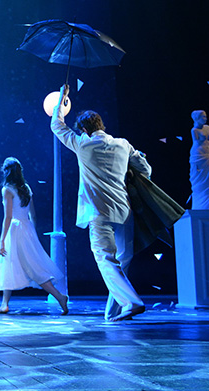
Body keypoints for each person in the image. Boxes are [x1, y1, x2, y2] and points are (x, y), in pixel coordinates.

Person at [50, 85, 150, 322]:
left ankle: (132, 303)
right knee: (120, 262)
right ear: (102, 126)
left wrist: (62, 101)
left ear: (84, 129)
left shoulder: (83, 145)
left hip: (99, 213)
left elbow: (57, 125)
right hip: (124, 212)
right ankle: (113, 311)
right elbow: (145, 169)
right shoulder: (123, 145)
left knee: (106, 259)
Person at [0, 157, 69, 315]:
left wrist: (2, 239)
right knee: (11, 263)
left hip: (15, 229)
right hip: (26, 228)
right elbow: (33, 215)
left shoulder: (7, 189)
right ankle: (4, 303)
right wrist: (32, 234)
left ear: (6, 172)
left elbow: (7, 217)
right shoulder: (26, 188)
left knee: (32, 268)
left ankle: (59, 296)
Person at [189, 110, 209, 209]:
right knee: (201, 178)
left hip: (208, 154)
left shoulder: (207, 128)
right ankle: (202, 204)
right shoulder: (194, 130)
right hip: (198, 155)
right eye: (203, 117)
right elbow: (198, 142)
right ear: (196, 118)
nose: (205, 119)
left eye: (205, 117)